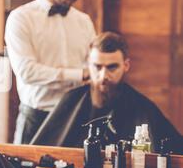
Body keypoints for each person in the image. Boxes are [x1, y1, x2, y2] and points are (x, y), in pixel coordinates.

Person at [30, 32, 183, 154]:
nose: (104, 76)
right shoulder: (72, 99)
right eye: (97, 67)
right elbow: (38, 153)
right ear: (88, 65)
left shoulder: (143, 107)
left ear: (126, 66)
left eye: (112, 67)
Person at [5, 0, 96, 144]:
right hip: (36, 117)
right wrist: (79, 75)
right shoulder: (21, 18)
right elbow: (26, 72)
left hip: (76, 115)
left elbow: (94, 66)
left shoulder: (84, 22)